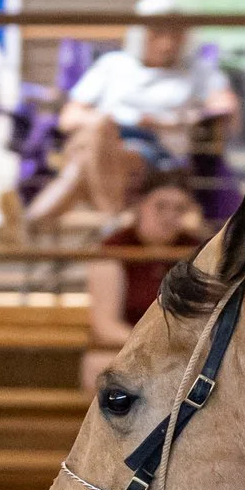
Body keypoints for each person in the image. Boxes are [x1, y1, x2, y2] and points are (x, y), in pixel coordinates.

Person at [28, 0, 238, 227]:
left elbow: (225, 108)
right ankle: (113, 216)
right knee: (97, 132)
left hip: (158, 156)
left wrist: (173, 122)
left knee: (82, 161)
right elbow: (69, 117)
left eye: (176, 32)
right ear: (140, 33)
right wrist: (115, 123)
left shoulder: (198, 71)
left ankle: (31, 224)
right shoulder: (113, 65)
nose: (168, 41)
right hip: (107, 139)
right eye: (158, 32)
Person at [82, 168, 199, 391]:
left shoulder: (195, 250)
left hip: (180, 349)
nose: (169, 216)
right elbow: (105, 325)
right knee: (101, 366)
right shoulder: (113, 249)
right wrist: (155, 346)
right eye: (161, 206)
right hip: (127, 346)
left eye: (179, 209)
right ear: (140, 204)